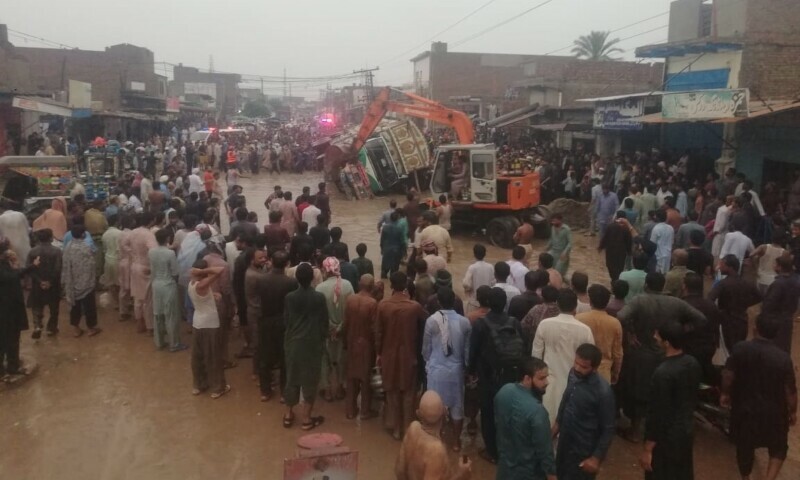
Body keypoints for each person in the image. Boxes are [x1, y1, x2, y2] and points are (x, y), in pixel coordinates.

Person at [721, 315, 797, 480]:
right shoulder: (783, 358)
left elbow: (728, 375)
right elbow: (790, 390)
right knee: (778, 447)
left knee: (744, 447)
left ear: (755, 329)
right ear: (775, 334)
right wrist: (792, 411)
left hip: (744, 410)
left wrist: (725, 394)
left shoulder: (740, 348)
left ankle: (746, 478)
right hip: (775, 413)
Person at [468, 287, 527, 463]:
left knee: (488, 413)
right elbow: (523, 346)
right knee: (508, 412)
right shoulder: (515, 322)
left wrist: (470, 371)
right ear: (505, 304)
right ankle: (508, 447)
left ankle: (492, 452)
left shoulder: (480, 323)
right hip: (512, 375)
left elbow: (474, 351)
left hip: (488, 377)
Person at [640, 322, 702, 480]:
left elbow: (657, 413)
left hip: (665, 439)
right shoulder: (692, 363)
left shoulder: (663, 373)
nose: (655, 338)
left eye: (658, 336)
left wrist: (648, 448)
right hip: (685, 432)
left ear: (667, 343)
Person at [553, 344, 616, 480]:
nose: (577, 368)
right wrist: (557, 425)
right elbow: (566, 398)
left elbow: (608, 428)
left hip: (583, 449)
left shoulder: (603, 392)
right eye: (576, 363)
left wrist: (596, 458)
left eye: (583, 367)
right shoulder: (573, 374)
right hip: (565, 442)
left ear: (594, 368)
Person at [532, 289, 595, 423]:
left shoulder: (545, 324)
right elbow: (591, 361)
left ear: (557, 304)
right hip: (575, 384)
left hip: (548, 381)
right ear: (575, 306)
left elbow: (536, 358)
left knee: (546, 421)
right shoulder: (585, 330)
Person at [377, 271, 427, 440]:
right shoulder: (415, 307)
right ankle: (407, 429)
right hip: (409, 356)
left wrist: (378, 353)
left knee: (391, 391)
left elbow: (378, 333)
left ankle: (396, 427)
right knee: (408, 393)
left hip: (388, 355)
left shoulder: (383, 305)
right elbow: (425, 328)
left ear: (391, 285)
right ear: (406, 286)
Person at [422, 288, 472, 451]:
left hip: (436, 370)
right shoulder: (464, 322)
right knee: (457, 407)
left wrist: (429, 362)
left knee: (435, 407)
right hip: (456, 371)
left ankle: (438, 438)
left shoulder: (431, 320)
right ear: (455, 302)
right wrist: (465, 369)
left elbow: (426, 348)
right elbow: (466, 351)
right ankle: (456, 442)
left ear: (438, 302)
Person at [494, 357, 556, 480]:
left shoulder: (504, 391)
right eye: (542, 378)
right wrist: (551, 474)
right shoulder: (538, 412)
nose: (547, 382)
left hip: (504, 469)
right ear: (527, 378)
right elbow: (545, 449)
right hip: (528, 473)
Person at [283, 261, 328, 428]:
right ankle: (306, 419)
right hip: (312, 344)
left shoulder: (290, 297)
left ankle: (288, 414)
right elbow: (324, 322)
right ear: (312, 278)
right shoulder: (319, 297)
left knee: (292, 378)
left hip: (293, 343)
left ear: (297, 278)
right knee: (310, 380)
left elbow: (286, 321)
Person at [395, 390, 472, 480]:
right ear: (444, 413)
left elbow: (399, 470)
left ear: (418, 413)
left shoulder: (413, 428)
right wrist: (461, 474)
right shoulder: (436, 450)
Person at [259, 250, 298, 401]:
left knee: (265, 357)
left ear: (272, 262)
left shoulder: (261, 280)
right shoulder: (291, 282)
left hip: (266, 321)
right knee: (284, 358)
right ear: (287, 264)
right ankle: (284, 392)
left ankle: (265, 391)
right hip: (283, 322)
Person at [188, 260, 229, 399]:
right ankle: (218, 387)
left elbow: (203, 296)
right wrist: (204, 271)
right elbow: (220, 270)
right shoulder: (202, 284)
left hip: (197, 323)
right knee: (213, 356)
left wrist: (213, 295)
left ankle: (199, 384)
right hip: (210, 324)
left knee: (197, 356)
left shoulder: (192, 283)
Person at [0, 241, 40, 378]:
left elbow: (15, 274)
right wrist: (29, 267)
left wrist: (16, 264)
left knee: (13, 338)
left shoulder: (5, 264)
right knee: (4, 340)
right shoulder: (3, 267)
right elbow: (10, 276)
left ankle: (13, 366)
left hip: (11, 308)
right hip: (5, 310)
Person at [317, 257, 355, 401]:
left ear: (325, 270)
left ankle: (327, 390)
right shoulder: (348, 285)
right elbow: (351, 310)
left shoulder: (320, 288)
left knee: (324, 360)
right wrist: (340, 327)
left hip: (326, 331)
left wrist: (331, 327)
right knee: (341, 360)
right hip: (343, 331)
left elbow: (319, 313)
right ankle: (340, 388)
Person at [342, 274, 379, 420]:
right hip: (366, 345)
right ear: (372, 287)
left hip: (351, 342)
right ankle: (365, 410)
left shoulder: (350, 299)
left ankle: (350, 410)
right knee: (365, 378)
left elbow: (345, 324)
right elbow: (375, 329)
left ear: (359, 284)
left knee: (351, 377)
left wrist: (345, 342)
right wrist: (378, 350)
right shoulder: (372, 303)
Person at [709, 255, 761, 352]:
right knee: (739, 347)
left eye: (723, 265)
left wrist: (717, 312)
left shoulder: (723, 284)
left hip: (726, 320)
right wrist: (746, 304)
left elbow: (710, 299)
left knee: (728, 349)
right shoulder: (747, 282)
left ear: (730, 267)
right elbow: (759, 297)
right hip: (742, 319)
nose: (720, 267)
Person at [681, 273, 723, 384]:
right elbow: (716, 326)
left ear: (684, 286)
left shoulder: (682, 305)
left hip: (687, 348)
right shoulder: (711, 305)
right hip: (708, 348)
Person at [576, 285, 623, 384]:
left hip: (581, 368)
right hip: (603, 372)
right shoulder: (614, 323)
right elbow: (617, 353)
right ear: (607, 303)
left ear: (590, 301)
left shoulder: (579, 318)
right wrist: (616, 372)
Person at [149, 228, 185, 352]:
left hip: (156, 284)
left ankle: (159, 342)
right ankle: (174, 344)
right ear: (168, 239)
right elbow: (175, 272)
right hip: (168, 285)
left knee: (158, 314)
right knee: (171, 315)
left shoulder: (151, 252)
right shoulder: (170, 253)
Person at [62, 225, 101, 338]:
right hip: (86, 282)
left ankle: (76, 328)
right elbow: (91, 264)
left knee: (75, 305)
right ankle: (91, 328)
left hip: (72, 281)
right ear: (83, 234)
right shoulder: (85, 247)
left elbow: (65, 264)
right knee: (89, 306)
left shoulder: (68, 246)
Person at [760, 254, 800, 353]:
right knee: (785, 347)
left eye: (775, 264)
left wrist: (762, 317)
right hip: (788, 319)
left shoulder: (778, 284)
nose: (774, 266)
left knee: (773, 348)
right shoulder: (796, 280)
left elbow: (769, 304)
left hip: (775, 320)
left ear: (780, 267)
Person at [26, 229, 62, 338]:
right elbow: (58, 268)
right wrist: (49, 281)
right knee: (54, 308)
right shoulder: (56, 251)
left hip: (37, 284)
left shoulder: (32, 252)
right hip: (53, 284)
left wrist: (40, 281)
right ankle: (51, 328)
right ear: (51, 238)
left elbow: (29, 269)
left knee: (37, 306)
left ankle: (37, 326)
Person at [129, 212, 157, 333]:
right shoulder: (148, 234)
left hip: (134, 265)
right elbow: (154, 251)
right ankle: (150, 327)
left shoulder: (133, 232)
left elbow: (127, 246)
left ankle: (139, 322)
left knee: (138, 297)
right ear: (151, 221)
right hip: (145, 267)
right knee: (148, 299)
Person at [598, 211, 632, 281]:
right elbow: (629, 241)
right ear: (625, 218)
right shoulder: (626, 228)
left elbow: (605, 238)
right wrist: (629, 252)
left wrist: (601, 247)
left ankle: (614, 280)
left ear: (616, 217)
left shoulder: (610, 226)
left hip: (610, 251)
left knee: (610, 266)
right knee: (620, 267)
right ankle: (617, 281)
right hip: (621, 252)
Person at [750, 231, 786, 295]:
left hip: (761, 277)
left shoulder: (763, 247)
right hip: (774, 280)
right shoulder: (784, 252)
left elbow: (751, 255)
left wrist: (755, 267)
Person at [462, 243, 494, 313]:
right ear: (485, 254)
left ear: (474, 254)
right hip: (487, 303)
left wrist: (468, 290)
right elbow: (493, 283)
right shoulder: (490, 267)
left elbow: (466, 283)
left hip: (474, 302)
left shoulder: (472, 267)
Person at [380, 212, 405, 279]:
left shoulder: (385, 227)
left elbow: (382, 240)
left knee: (384, 270)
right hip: (396, 251)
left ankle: (384, 284)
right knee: (394, 271)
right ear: (397, 218)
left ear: (390, 218)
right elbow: (402, 242)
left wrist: (382, 249)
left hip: (387, 250)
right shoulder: (400, 228)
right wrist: (404, 252)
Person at [649, 209, 673, 274]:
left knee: (658, 275)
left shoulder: (656, 228)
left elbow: (652, 243)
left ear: (657, 217)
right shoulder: (670, 228)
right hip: (668, 254)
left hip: (658, 255)